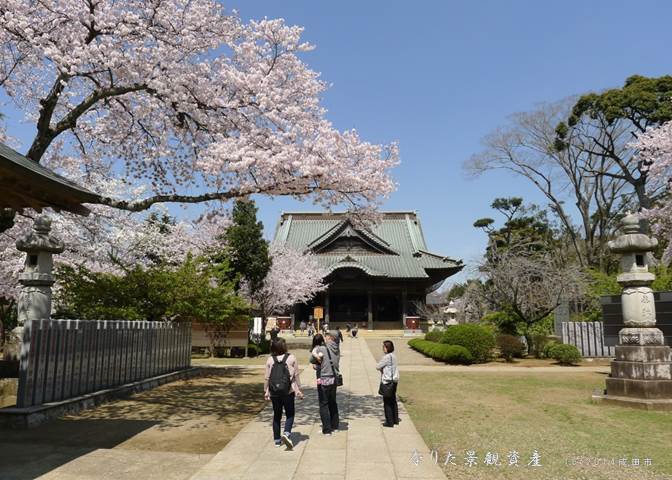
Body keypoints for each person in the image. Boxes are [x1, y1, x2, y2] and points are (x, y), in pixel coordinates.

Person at [264, 338, 304, 449]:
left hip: (274, 392)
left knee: (277, 415)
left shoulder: (270, 360)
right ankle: (286, 433)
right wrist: (299, 390)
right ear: (283, 346)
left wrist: (266, 391)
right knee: (290, 413)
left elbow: (267, 378)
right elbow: (296, 375)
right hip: (288, 391)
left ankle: (277, 440)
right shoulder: (291, 358)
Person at [310, 332, 340, 435]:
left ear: (330, 338)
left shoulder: (322, 348)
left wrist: (317, 363)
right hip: (334, 378)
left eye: (327, 336)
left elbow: (312, 358)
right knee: (333, 402)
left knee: (324, 404)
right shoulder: (337, 348)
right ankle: (335, 425)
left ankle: (327, 429)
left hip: (324, 379)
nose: (325, 337)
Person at [376, 340, 400, 428]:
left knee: (387, 402)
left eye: (384, 347)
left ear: (388, 348)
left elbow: (378, 366)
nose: (383, 348)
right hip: (394, 381)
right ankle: (395, 419)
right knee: (393, 401)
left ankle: (389, 422)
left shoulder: (386, 357)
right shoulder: (394, 356)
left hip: (387, 381)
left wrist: (382, 369)